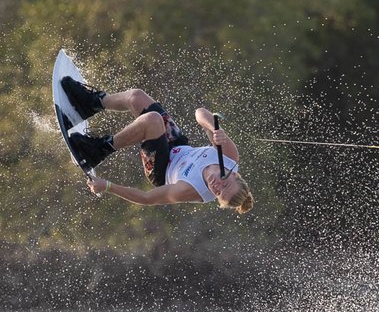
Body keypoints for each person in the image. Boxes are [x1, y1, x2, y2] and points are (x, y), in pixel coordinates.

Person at [60, 77, 254, 214]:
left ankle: (97, 150)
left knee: (152, 120)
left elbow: (147, 198)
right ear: (234, 174)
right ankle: (91, 103)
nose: (216, 186)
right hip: (178, 146)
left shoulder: (191, 190)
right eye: (224, 183)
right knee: (136, 97)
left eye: (218, 193)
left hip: (161, 169)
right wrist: (214, 128)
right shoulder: (229, 156)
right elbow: (200, 113)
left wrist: (108, 186)